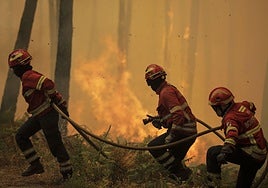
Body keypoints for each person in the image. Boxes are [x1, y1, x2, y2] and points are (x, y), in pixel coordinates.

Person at [8, 49, 73, 180]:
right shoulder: (28, 76)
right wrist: (61, 104)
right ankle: (36, 165)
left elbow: (48, 83)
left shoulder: (28, 76)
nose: (13, 72)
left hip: (47, 115)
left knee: (55, 144)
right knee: (21, 136)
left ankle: (68, 175)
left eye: (14, 68)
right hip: (39, 116)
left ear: (20, 66)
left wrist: (57, 101)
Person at [144, 64, 197, 182]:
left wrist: (171, 135)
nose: (150, 86)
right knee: (174, 160)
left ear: (152, 82)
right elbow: (172, 115)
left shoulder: (166, 93)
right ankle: (185, 178)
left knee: (154, 146)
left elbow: (178, 115)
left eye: (149, 83)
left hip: (184, 132)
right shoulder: (167, 90)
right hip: (187, 131)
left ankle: (182, 174)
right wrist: (160, 120)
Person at [206, 87, 267, 188]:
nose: (215, 110)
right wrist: (245, 119)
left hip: (250, 155)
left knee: (212, 153)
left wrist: (224, 152)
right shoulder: (242, 106)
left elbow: (232, 135)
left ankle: (213, 185)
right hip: (260, 155)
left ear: (223, 105)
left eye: (216, 107)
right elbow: (251, 105)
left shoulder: (230, 118)